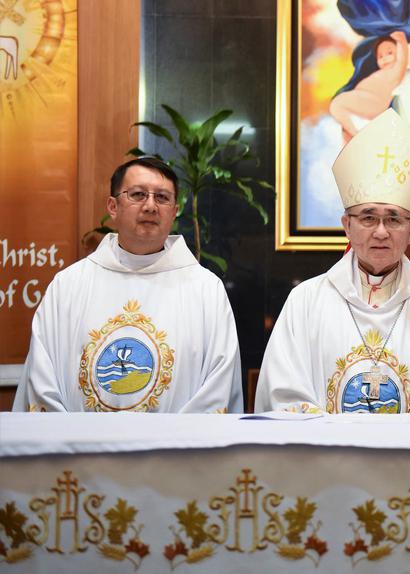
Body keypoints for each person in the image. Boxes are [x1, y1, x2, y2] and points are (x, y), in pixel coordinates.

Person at [255, 109, 410, 414]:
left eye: (394, 219)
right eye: (368, 217)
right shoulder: (306, 301)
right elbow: (282, 393)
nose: (381, 231)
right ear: (347, 225)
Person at [13, 157, 243, 413]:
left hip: (173, 451)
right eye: (138, 194)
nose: (150, 206)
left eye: (163, 198)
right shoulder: (68, 286)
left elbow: (217, 385)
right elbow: (42, 378)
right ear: (113, 206)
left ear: (175, 210)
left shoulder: (205, 290)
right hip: (82, 450)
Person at [329, 31, 409, 142]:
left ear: (397, 52)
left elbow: (402, 61)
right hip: (365, 103)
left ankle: (358, 135)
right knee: (345, 128)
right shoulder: (381, 72)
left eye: (389, 53)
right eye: (380, 56)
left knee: (337, 105)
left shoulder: (395, 72)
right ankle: (352, 140)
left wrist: (401, 42)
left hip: (375, 103)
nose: (384, 58)